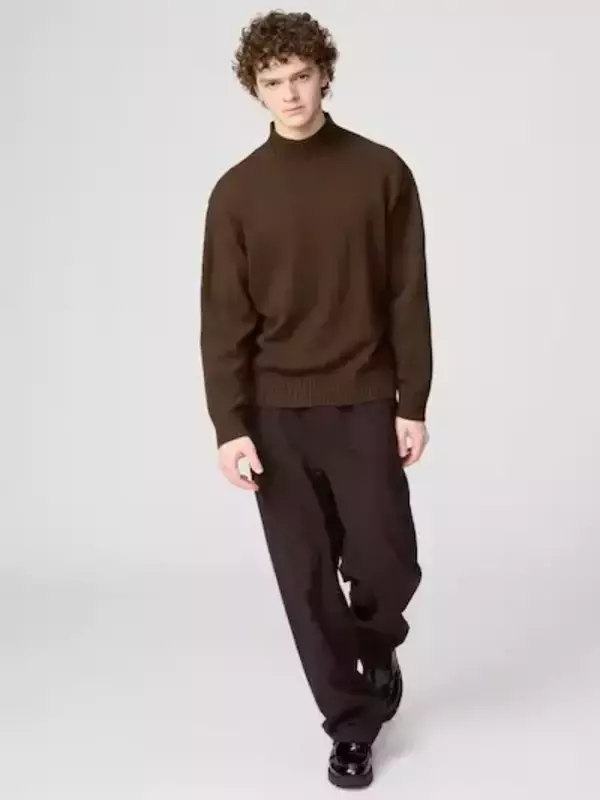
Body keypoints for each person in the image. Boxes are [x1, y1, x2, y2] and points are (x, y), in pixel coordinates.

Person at [199, 10, 433, 790]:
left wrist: (412, 399)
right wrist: (230, 424)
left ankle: (378, 639)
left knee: (386, 560)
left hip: (363, 398)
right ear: (256, 90)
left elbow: (407, 295)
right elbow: (223, 320)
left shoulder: (381, 172)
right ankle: (351, 725)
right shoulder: (237, 193)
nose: (291, 94)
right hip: (275, 413)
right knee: (305, 581)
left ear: (324, 75)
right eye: (274, 82)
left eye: (302, 77)